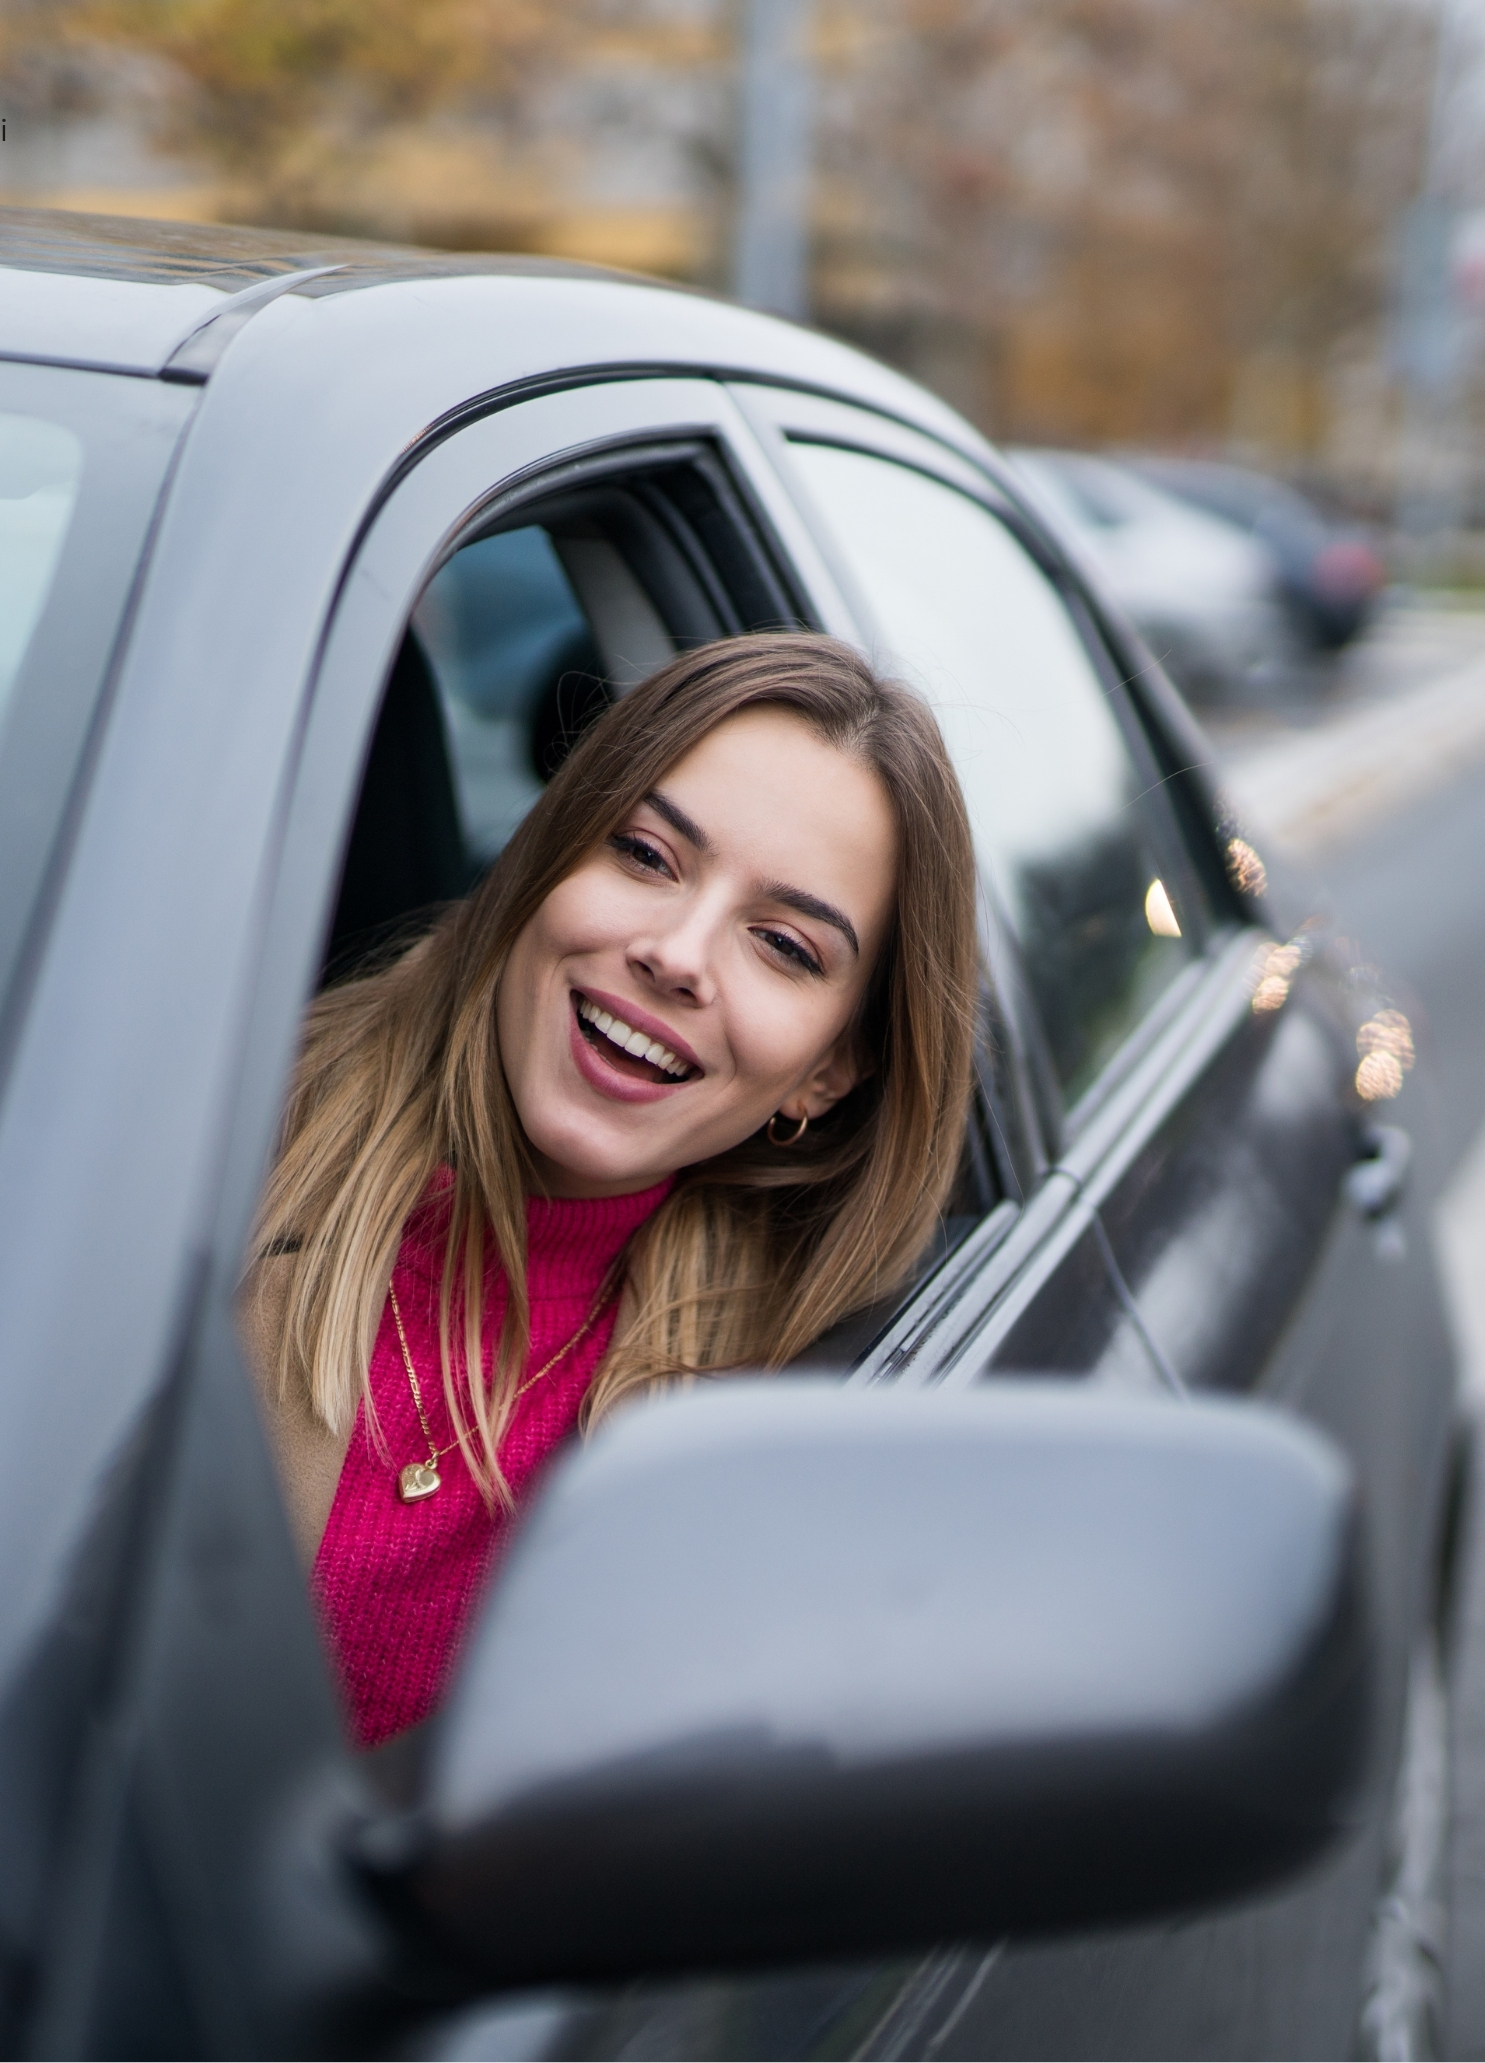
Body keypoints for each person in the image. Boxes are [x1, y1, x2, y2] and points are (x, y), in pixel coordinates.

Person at [239, 632, 978, 1747]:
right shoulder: (194, 1149)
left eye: (783, 944)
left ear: (828, 1071)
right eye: (644, 853)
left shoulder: (782, 1400)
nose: (677, 953)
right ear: (548, 860)